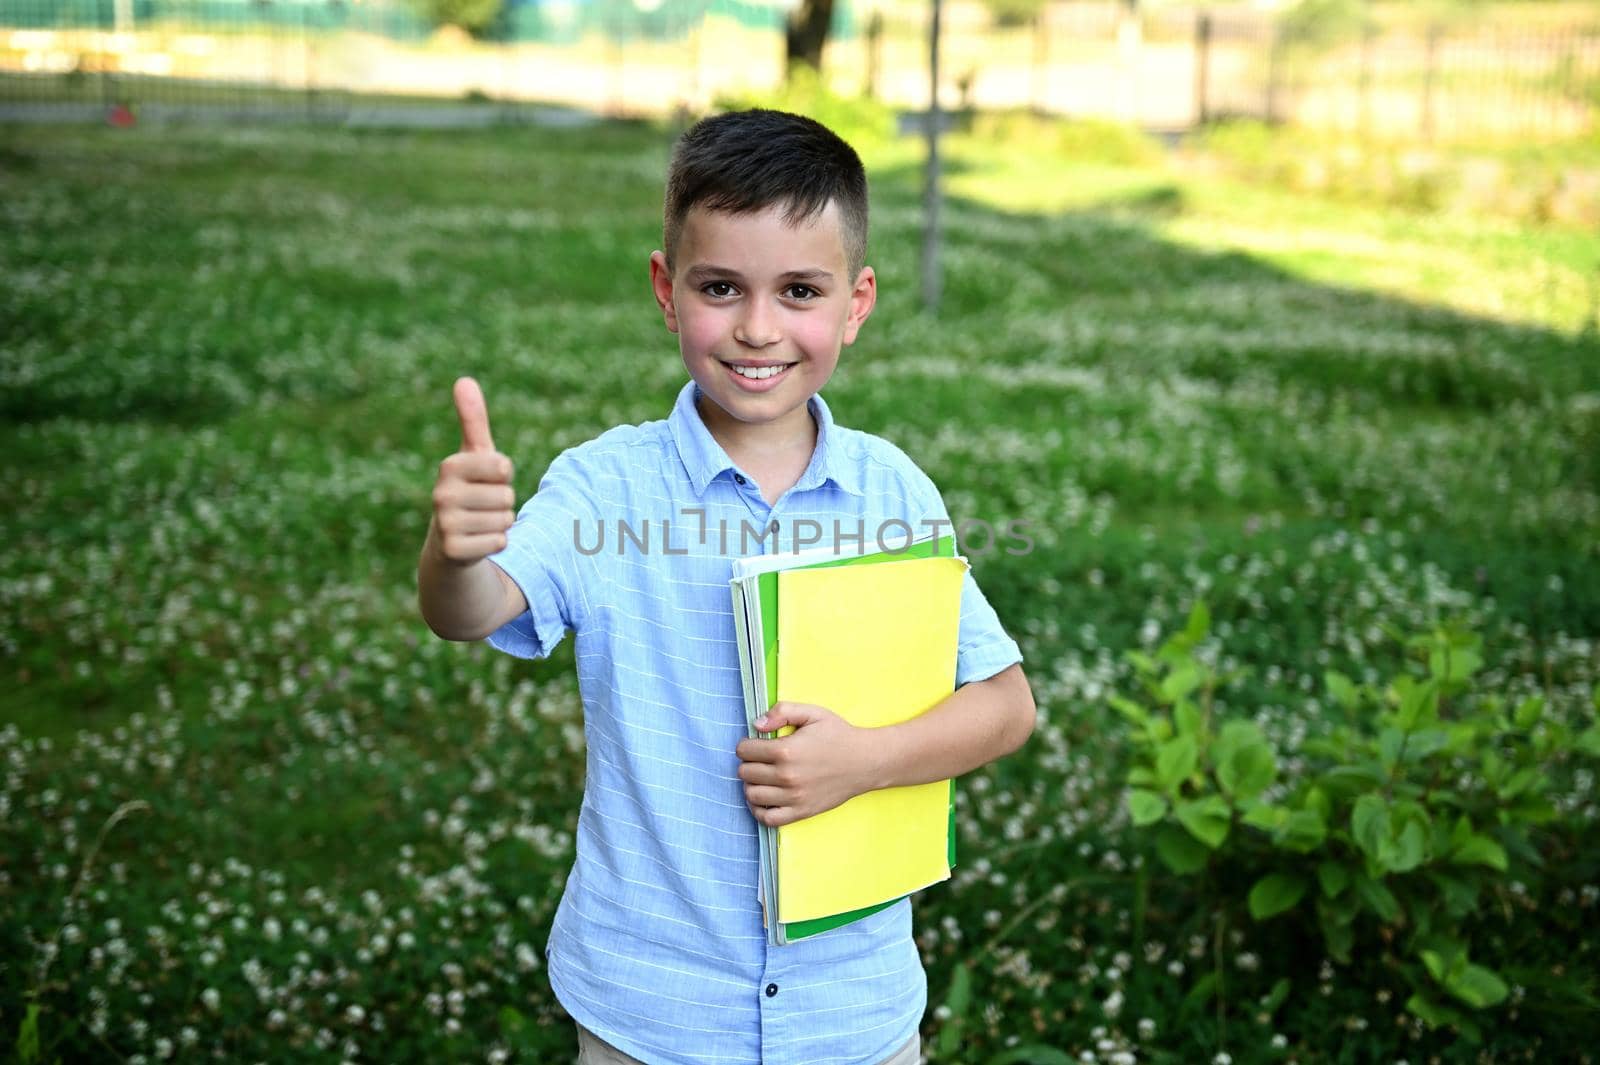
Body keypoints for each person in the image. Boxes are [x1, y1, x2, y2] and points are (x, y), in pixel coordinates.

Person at [417, 108, 1035, 1065]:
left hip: (852, 1017)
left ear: (856, 303)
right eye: (721, 287)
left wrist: (864, 759)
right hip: (649, 1013)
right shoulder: (604, 485)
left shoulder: (893, 490)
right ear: (668, 291)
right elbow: (475, 611)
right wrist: (455, 557)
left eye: (799, 290)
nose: (757, 327)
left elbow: (1005, 704)